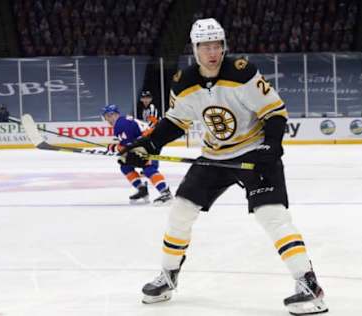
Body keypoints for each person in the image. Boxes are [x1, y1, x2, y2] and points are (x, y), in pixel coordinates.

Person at [120, 18, 328, 315]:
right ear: (195, 49)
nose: (212, 52)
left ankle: (309, 286)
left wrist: (271, 145)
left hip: (254, 153)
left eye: (217, 45)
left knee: (273, 216)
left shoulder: (243, 74)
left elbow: (276, 113)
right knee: (180, 210)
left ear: (223, 46)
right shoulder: (184, 82)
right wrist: (147, 146)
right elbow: (175, 122)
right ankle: (168, 276)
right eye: (205, 46)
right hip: (214, 157)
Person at [102, 104, 173, 205]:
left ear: (115, 114)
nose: (108, 119)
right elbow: (130, 143)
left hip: (150, 144)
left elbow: (128, 146)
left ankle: (166, 193)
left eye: (109, 116)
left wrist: (114, 148)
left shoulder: (120, 125)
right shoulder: (122, 122)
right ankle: (142, 190)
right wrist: (117, 147)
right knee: (125, 166)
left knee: (148, 168)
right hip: (146, 143)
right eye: (106, 117)